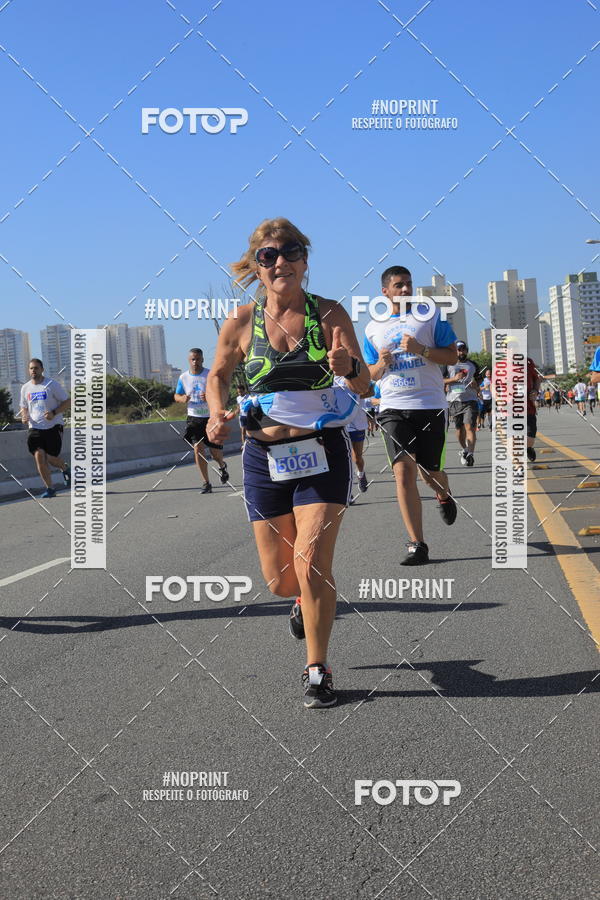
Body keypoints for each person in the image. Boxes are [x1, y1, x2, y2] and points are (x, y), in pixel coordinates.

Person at [206, 218, 370, 708]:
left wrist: (350, 368)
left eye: (291, 252)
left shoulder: (330, 314)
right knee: (281, 579)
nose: (281, 262)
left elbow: (363, 386)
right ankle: (298, 602)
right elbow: (217, 374)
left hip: (321, 452)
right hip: (263, 458)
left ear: (305, 260)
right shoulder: (239, 323)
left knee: (313, 559)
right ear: (256, 266)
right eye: (269, 256)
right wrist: (217, 411)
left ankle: (317, 667)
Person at [363, 266, 458, 566]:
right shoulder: (372, 329)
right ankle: (417, 544)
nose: (405, 290)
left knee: (429, 474)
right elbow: (368, 376)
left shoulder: (429, 317)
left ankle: (443, 494)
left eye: (408, 285)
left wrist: (421, 350)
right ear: (385, 292)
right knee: (403, 472)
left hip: (429, 404)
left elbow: (452, 356)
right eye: (398, 285)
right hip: (392, 407)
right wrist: (380, 363)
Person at [174, 348, 229, 493]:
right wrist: (182, 399)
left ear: (202, 360)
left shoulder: (210, 375)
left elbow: (222, 393)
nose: (195, 362)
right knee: (197, 448)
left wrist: (210, 396)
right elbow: (176, 395)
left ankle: (222, 466)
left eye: (198, 359)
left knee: (215, 453)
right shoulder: (183, 377)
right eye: (192, 359)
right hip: (194, 417)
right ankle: (206, 483)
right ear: (188, 360)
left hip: (211, 417)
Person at [19, 358, 71, 498]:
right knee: (39, 456)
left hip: (53, 426)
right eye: (31, 368)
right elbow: (24, 406)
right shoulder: (25, 388)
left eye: (36, 368)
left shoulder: (51, 385)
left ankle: (65, 468)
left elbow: (68, 402)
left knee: (51, 458)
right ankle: (50, 488)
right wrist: (24, 416)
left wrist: (54, 413)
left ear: (42, 369)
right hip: (35, 428)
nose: (33, 371)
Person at [443, 341, 481, 467]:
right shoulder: (448, 364)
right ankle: (465, 449)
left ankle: (470, 454)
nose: (461, 352)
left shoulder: (473, 365)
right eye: (459, 350)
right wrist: (453, 379)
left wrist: (476, 385)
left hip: (470, 400)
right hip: (454, 400)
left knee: (470, 427)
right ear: (455, 351)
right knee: (459, 430)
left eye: (464, 349)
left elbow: (479, 379)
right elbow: (440, 379)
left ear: (467, 350)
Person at [334, 375, 369, 499]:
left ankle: (361, 473)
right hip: (338, 423)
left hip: (357, 422)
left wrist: (353, 395)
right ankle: (347, 492)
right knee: (343, 458)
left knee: (357, 457)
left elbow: (371, 391)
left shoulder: (355, 372)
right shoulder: (327, 377)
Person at [526, 358, 542, 462]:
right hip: (510, 409)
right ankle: (518, 466)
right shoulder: (502, 365)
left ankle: (528, 447)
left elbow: (537, 379)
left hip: (528, 407)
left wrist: (535, 391)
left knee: (530, 438)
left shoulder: (528, 362)